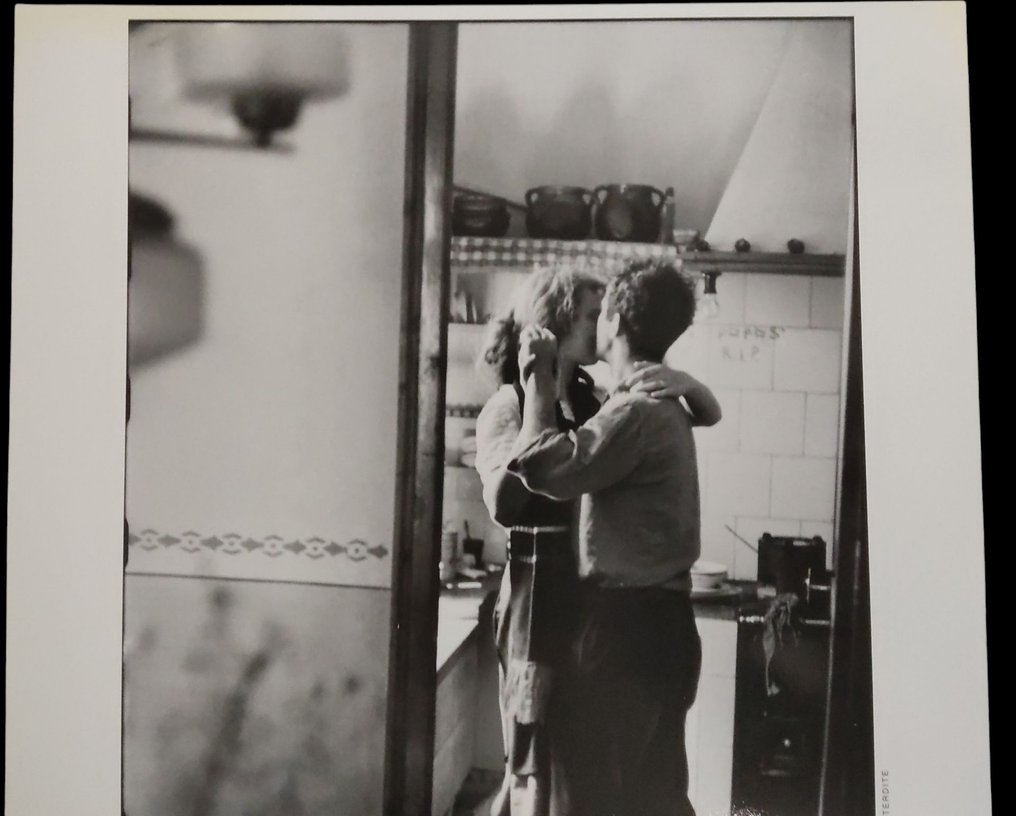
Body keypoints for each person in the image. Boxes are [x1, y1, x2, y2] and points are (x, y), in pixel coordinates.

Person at [473, 263, 719, 816]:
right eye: (590, 311)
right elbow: (504, 505)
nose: (599, 323)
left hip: (592, 614)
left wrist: (690, 384)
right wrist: (538, 392)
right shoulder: (510, 405)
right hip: (536, 613)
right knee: (529, 767)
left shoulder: (603, 401)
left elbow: (603, 447)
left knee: (580, 778)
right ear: (557, 321)